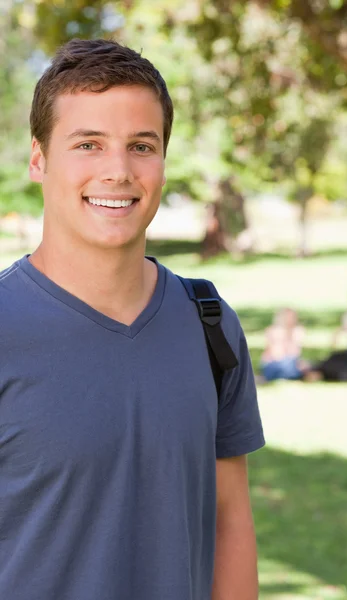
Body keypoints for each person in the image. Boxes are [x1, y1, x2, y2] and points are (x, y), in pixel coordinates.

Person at [0, 39, 265, 600]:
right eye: (88, 144)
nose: (117, 170)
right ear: (39, 158)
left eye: (141, 145)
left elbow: (230, 519)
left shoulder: (209, 324)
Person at [259, 308, 309, 381]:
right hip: (274, 364)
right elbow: (277, 355)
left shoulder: (297, 331)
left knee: (304, 364)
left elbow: (296, 354)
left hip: (291, 362)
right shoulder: (273, 331)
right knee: (289, 366)